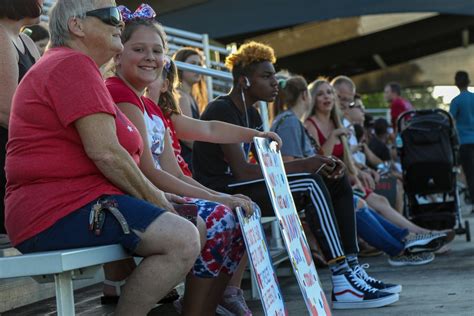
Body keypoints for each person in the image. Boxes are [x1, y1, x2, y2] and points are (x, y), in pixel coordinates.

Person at [5, 1, 201, 315]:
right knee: (182, 238)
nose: (119, 24)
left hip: (79, 203)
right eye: (110, 17)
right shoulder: (70, 64)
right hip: (54, 210)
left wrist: (160, 197)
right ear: (76, 26)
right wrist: (159, 200)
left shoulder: (77, 66)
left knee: (193, 222)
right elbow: (107, 153)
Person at [193, 41, 401, 310]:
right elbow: (243, 172)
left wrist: (315, 163)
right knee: (309, 183)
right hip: (221, 189)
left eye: (274, 76)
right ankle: (341, 279)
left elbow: (260, 168)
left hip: (242, 184)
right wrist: (304, 165)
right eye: (266, 77)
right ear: (244, 81)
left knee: (334, 178)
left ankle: (351, 267)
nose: (275, 83)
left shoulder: (253, 113)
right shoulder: (222, 109)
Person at [104, 10, 279, 314]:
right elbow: (148, 172)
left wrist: (256, 135)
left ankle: (203, 306)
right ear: (118, 55)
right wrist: (218, 197)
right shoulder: (118, 93)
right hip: (136, 196)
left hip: (158, 191)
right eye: (139, 49)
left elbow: (173, 169)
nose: (150, 57)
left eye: (157, 51)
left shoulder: (150, 106)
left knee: (239, 215)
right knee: (221, 217)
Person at [275, 76, 441, 267]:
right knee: (357, 204)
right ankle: (400, 249)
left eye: (329, 93)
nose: (328, 98)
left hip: (322, 186)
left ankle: (407, 239)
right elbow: (289, 168)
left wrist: (353, 173)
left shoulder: (293, 122)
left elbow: (313, 161)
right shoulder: (292, 123)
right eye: (320, 93)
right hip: (308, 191)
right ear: (307, 96)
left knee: (362, 201)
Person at [0, 0, 42, 238]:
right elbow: (7, 111)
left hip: (21, 154)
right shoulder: (0, 35)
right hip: (7, 158)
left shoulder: (25, 40)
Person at [172, 47, 208, 171]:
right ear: (180, 67)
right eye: (193, 64)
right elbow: (187, 136)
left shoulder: (191, 97)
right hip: (185, 160)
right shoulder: (181, 96)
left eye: (200, 65)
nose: (197, 68)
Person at [450, 71, 474, 209]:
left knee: (470, 174)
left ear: (456, 83)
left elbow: (450, 121)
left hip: (465, 142)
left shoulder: (456, 101)